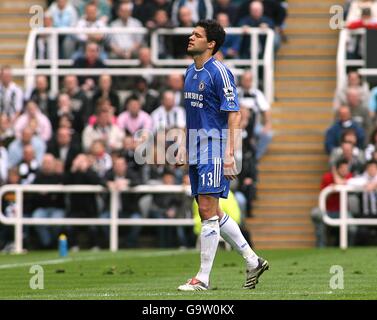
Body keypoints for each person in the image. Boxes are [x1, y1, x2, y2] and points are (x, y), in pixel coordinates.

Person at [176, 19, 268, 291]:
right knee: (212, 209)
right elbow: (191, 115)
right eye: (192, 33)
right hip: (196, 147)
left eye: (197, 35)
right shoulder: (189, 72)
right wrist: (184, 144)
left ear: (211, 43)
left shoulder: (220, 73)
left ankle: (203, 278)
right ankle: (252, 260)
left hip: (214, 146)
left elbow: (234, 114)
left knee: (206, 211)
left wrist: (230, 154)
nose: (191, 37)